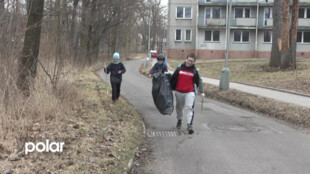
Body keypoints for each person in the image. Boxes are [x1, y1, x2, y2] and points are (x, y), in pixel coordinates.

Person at [170, 53, 204, 134]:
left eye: (192, 61)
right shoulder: (179, 68)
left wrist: (201, 91)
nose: (190, 62)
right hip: (179, 91)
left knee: (189, 108)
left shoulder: (194, 71)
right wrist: (169, 88)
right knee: (179, 108)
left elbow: (199, 81)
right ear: (186, 59)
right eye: (189, 60)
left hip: (189, 92)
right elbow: (173, 78)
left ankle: (189, 125)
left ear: (194, 62)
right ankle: (179, 120)